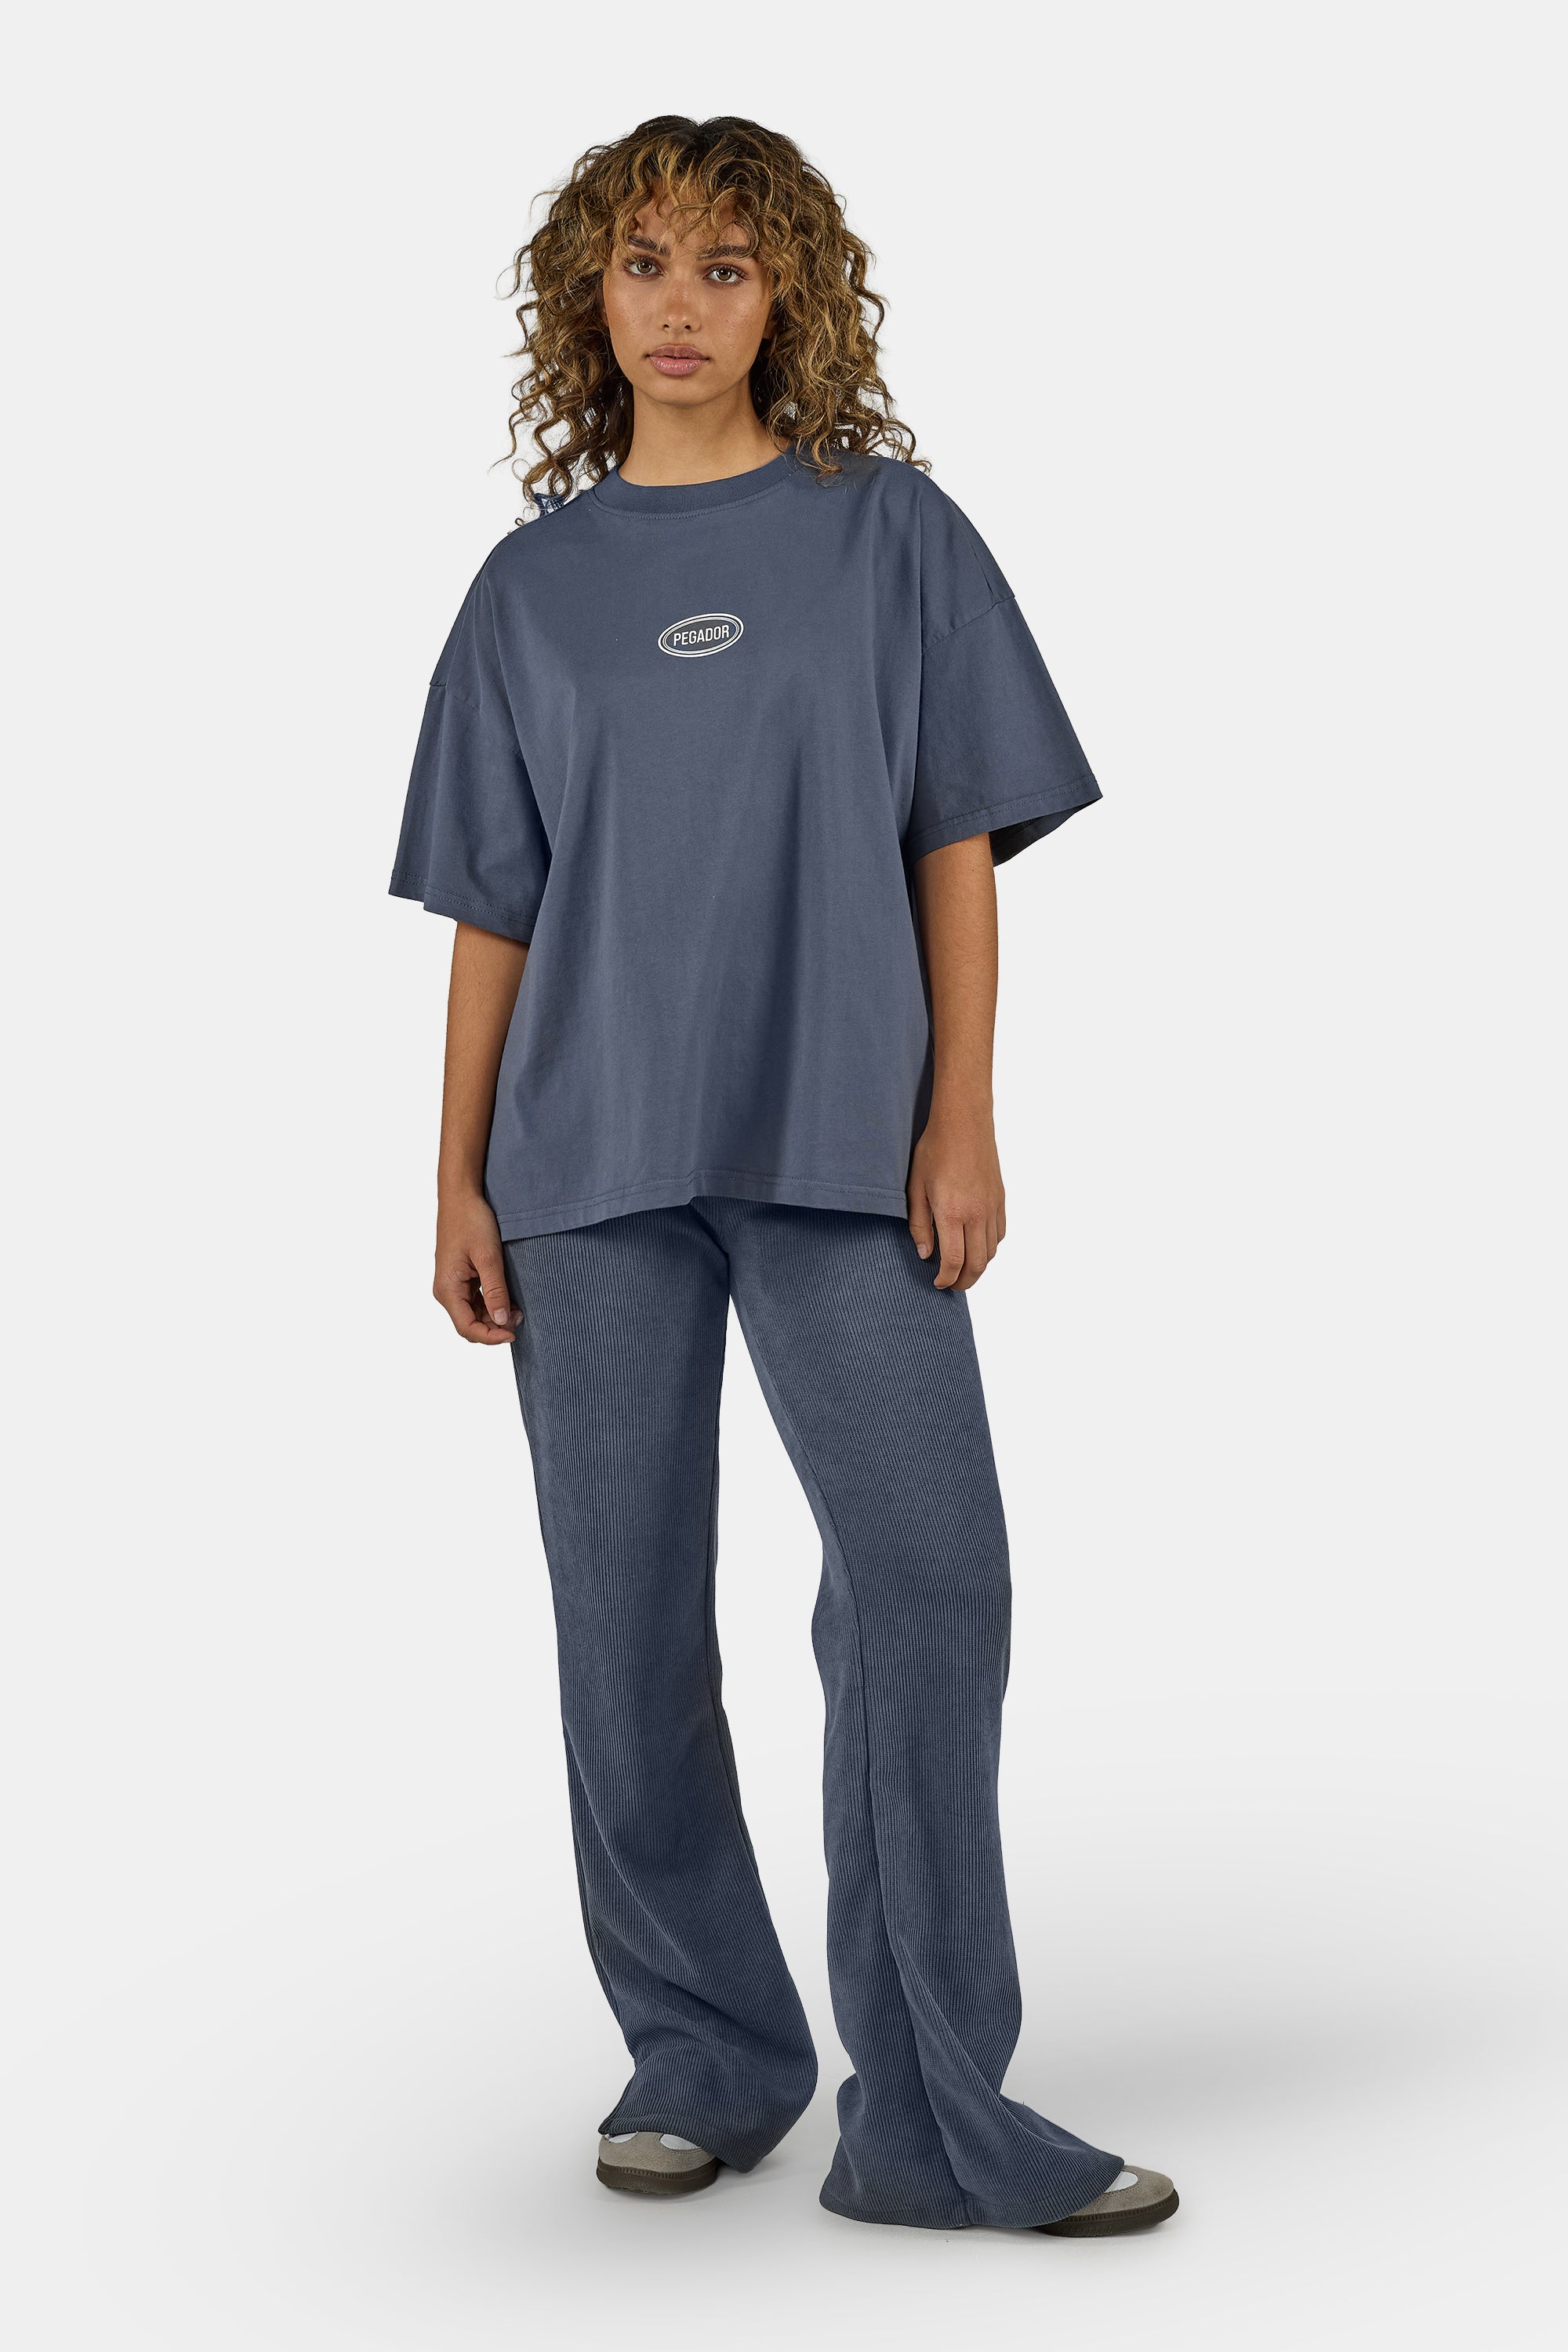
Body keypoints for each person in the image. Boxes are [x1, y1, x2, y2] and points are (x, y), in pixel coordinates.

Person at [390, 114, 1176, 2239]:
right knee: (623, 1617)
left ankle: (928, 2113)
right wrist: (452, 1176)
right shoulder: (530, 589)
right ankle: (703, 2053)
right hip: (581, 1160)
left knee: (931, 1584)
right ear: (588, 296)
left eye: (727, 266)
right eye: (643, 262)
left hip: (845, 1140)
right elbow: (493, 906)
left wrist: (963, 1112)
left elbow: (954, 838)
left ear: (789, 298)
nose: (681, 305)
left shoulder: (891, 536)